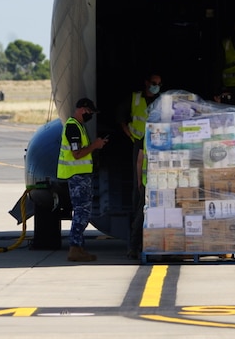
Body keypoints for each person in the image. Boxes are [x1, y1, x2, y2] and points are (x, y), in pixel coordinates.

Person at [117, 73, 162, 260]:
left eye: (159, 84)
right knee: (140, 208)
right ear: (146, 83)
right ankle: (134, 246)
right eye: (153, 84)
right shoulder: (135, 99)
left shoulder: (161, 101)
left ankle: (151, 245)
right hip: (139, 144)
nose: (156, 87)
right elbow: (120, 116)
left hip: (154, 162)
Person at [57, 97, 108, 262]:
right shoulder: (73, 127)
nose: (90, 115)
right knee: (81, 213)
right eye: (89, 112)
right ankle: (75, 247)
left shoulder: (79, 126)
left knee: (83, 212)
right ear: (82, 109)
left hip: (81, 176)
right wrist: (95, 146)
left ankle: (79, 247)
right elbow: (77, 153)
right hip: (77, 176)